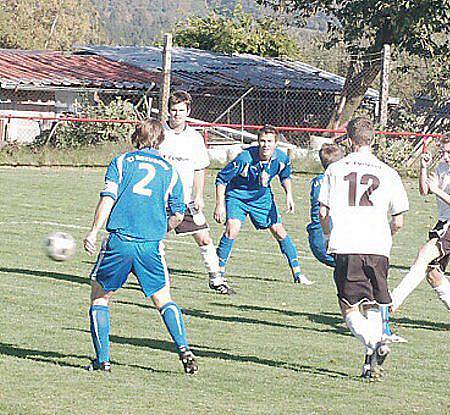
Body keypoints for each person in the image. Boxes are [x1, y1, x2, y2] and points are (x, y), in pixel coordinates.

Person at [83, 119, 198, 374]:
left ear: (136, 137)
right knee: (164, 299)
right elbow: (178, 215)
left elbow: (108, 198)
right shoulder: (170, 171)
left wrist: (93, 231)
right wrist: (158, 228)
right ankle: (184, 350)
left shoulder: (122, 162)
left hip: (120, 242)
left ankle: (103, 361)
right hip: (150, 246)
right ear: (160, 141)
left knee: (100, 298)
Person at [318, 117, 409, 380]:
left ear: (348, 139)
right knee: (371, 304)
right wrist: (386, 236)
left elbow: (323, 210)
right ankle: (370, 364)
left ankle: (375, 342)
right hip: (378, 247)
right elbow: (399, 221)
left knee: (347, 306)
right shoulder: (388, 172)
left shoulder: (336, 169)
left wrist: (327, 235)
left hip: (348, 244)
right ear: (373, 138)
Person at [390, 130, 450, 334]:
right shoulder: (442, 167)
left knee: (424, 253)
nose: (445, 156)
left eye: (449, 152)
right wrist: (423, 168)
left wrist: (438, 190)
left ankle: (393, 302)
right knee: (433, 273)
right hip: (445, 224)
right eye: (443, 152)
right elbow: (425, 191)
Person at [213, 126, 312, 285]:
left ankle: (298, 274)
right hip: (238, 195)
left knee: (279, 231)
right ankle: (218, 272)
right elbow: (222, 179)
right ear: (258, 142)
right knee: (232, 229)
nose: (265, 145)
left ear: (276, 143)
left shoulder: (281, 159)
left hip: (261, 197)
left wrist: (289, 195)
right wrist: (220, 205)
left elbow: (285, 176)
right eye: (262, 141)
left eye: (269, 141)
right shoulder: (244, 159)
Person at [159, 90, 234, 295]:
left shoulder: (194, 138)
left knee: (204, 238)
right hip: (158, 199)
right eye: (174, 110)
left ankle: (216, 278)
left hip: (184, 199)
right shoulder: (159, 133)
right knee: (153, 238)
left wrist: (199, 195)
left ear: (188, 111)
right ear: (168, 111)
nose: (177, 114)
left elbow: (200, 168)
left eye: (181, 110)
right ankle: (156, 279)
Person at [307, 144, 343, 268]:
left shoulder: (317, 181)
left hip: (316, 235)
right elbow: (323, 213)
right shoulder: (335, 181)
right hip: (327, 233)